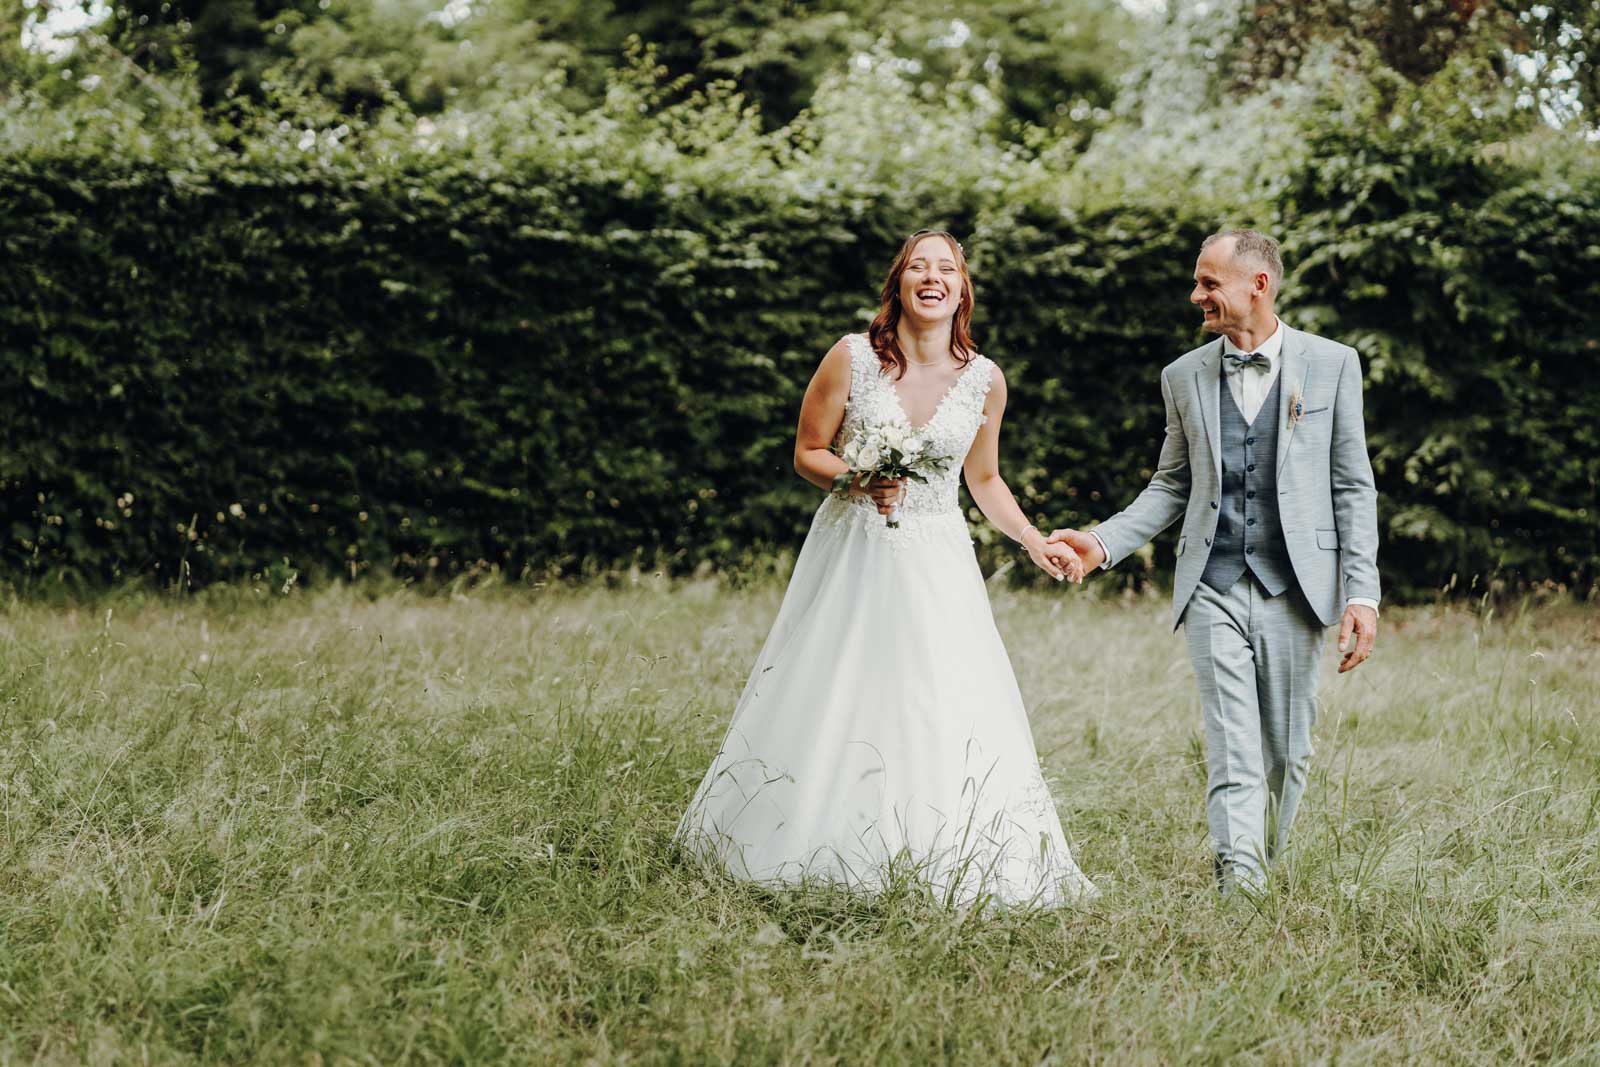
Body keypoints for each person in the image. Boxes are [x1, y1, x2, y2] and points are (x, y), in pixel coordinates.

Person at [676, 230, 1096, 908]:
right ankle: (803, 835)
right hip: (856, 549)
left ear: (962, 289)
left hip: (937, 557)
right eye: (918, 267)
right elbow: (808, 450)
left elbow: (984, 479)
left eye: (946, 268)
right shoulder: (851, 357)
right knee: (838, 681)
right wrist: (854, 480)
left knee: (937, 694)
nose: (932, 277)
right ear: (898, 283)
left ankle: (934, 844)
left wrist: (1032, 539)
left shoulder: (986, 380)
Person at [1048, 229, 1380, 895]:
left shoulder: (1334, 364)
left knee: (1289, 749)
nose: (1195, 294)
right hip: (1213, 582)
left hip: (1298, 587)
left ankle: (1271, 859)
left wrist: (1361, 592)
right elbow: (1171, 484)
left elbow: (1352, 485)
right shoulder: (1183, 376)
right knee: (1233, 741)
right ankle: (1241, 884)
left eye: (1208, 282)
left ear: (1258, 284)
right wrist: (1103, 541)